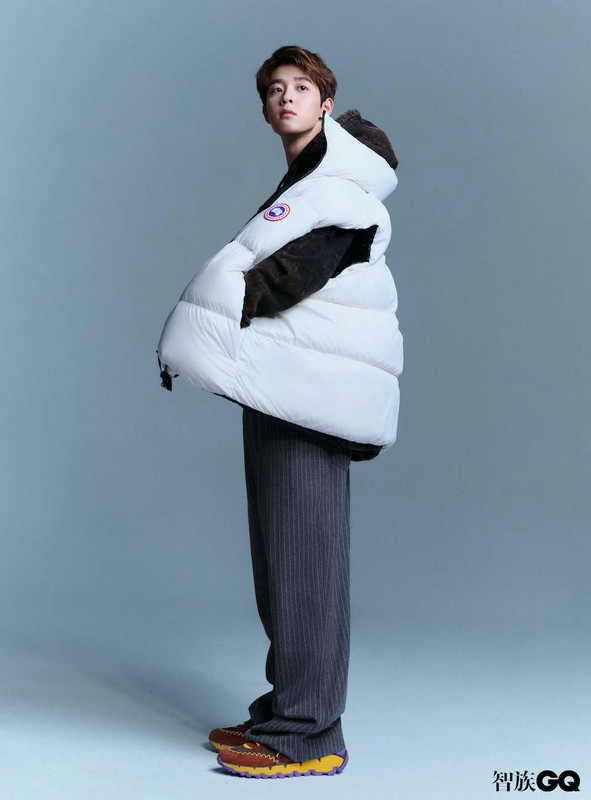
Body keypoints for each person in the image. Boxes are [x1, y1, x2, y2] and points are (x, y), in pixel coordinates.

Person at [157, 44, 402, 778]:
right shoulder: (304, 183)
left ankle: (310, 734)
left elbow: (288, 276)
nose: (285, 97)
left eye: (300, 87)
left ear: (326, 103)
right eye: (273, 89)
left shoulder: (340, 189)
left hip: (311, 403)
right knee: (280, 564)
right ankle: (283, 709)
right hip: (280, 385)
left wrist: (210, 310)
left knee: (307, 566)